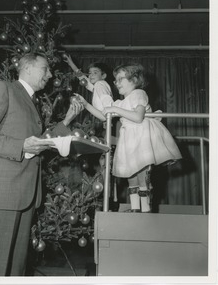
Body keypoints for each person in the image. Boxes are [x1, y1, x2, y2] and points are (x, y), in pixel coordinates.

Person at [0, 52, 83, 276]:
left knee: (16, 267)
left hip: (25, 195)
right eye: (45, 69)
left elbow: (38, 142)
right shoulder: (4, 88)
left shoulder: (31, 101)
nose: (50, 74)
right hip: (3, 194)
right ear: (27, 68)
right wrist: (20, 147)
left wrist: (67, 121)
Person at [75, 63, 182, 213]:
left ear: (135, 80)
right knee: (131, 176)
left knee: (142, 176)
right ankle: (135, 208)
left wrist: (114, 109)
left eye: (120, 79)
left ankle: (145, 210)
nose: (117, 83)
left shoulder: (139, 94)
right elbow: (103, 115)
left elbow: (138, 117)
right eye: (115, 80)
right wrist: (85, 104)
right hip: (129, 140)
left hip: (141, 139)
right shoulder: (120, 102)